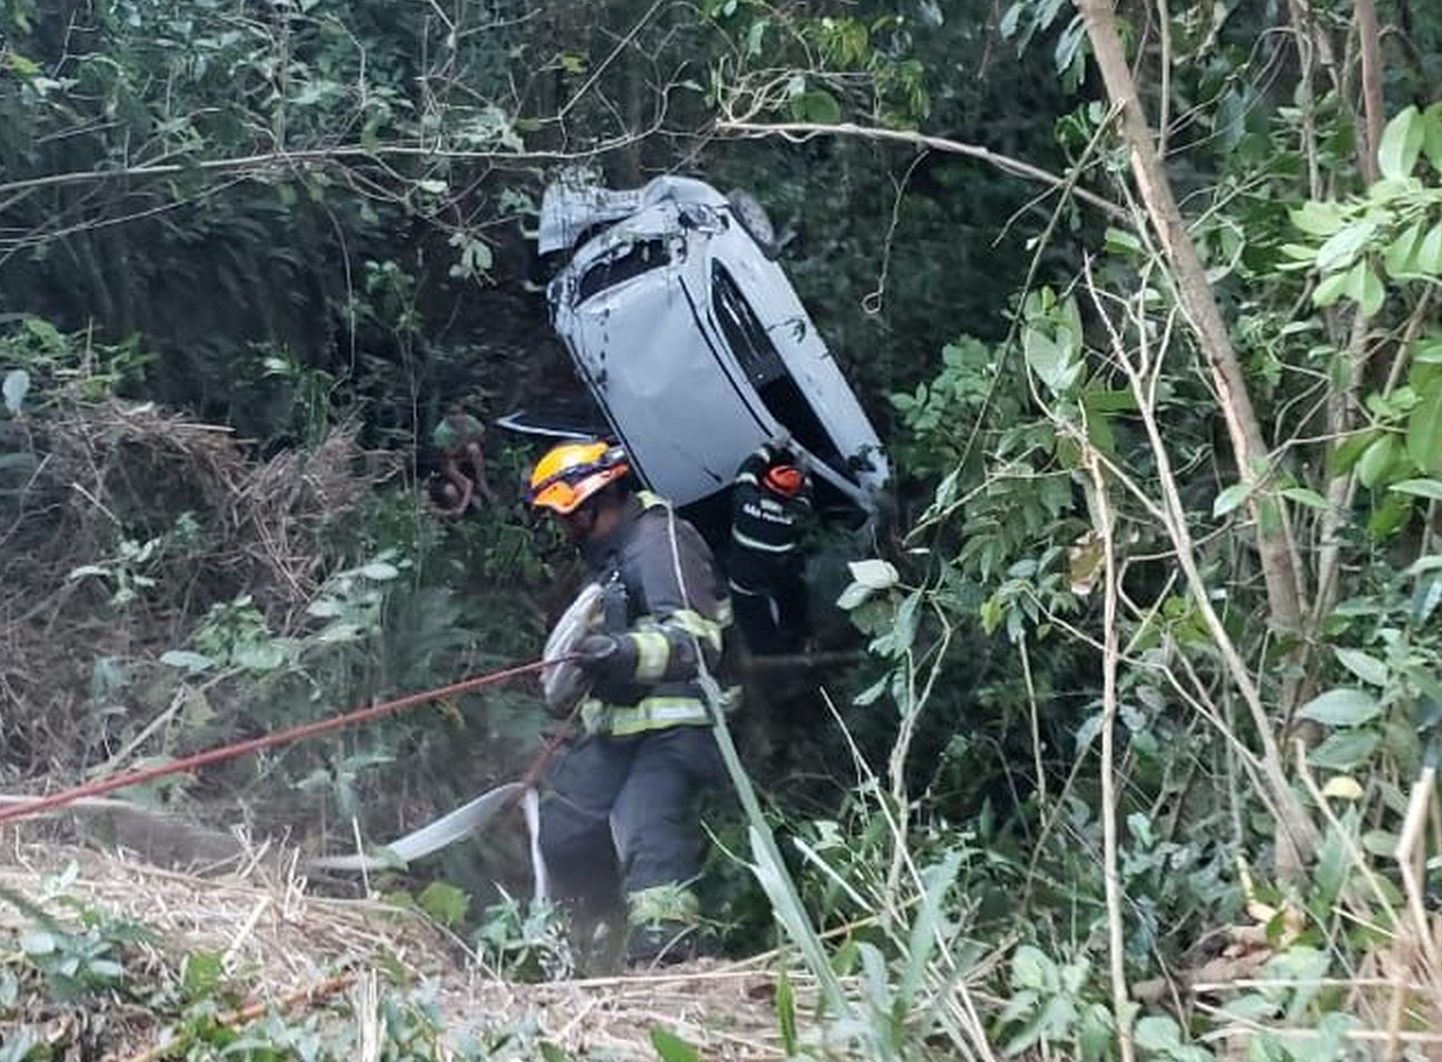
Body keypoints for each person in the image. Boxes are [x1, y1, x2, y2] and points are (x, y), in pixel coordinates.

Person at [527, 439, 731, 967]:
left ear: (600, 498)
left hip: (676, 728)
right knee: (563, 831)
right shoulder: (611, 556)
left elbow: (697, 643)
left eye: (571, 517)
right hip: (618, 731)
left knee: (649, 832)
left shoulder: (659, 542)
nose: (567, 530)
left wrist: (620, 652)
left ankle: (666, 957)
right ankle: (597, 934)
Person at [728, 439, 812, 656]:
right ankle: (799, 646)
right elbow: (805, 496)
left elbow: (746, 470)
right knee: (793, 606)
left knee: (755, 627)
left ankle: (766, 657)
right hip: (780, 580)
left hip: (743, 580)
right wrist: (805, 472)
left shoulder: (744, 501)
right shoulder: (796, 516)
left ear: (764, 485)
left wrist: (773, 444)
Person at [430, 405, 496, 517]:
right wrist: (463, 438)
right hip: (451, 459)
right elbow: (449, 453)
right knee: (451, 492)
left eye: (458, 414)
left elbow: (481, 437)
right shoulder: (441, 432)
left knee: (474, 448)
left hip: (466, 453)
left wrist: (469, 438)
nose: (456, 418)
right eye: (452, 415)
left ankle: (481, 481)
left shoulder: (470, 421)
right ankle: (459, 512)